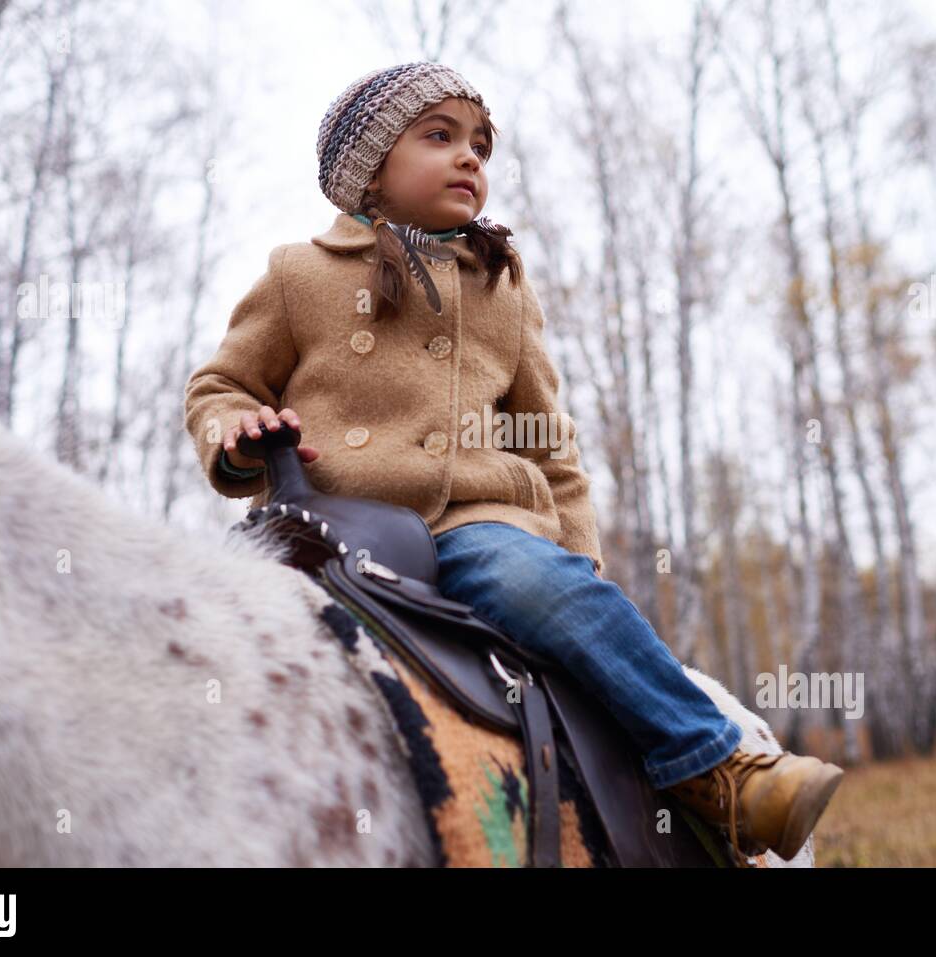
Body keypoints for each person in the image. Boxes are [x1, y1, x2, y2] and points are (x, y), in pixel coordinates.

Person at [183, 61, 842, 864]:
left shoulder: (500, 286)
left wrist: (578, 562)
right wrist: (236, 430)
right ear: (370, 170)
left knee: (541, 586)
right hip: (329, 521)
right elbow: (222, 383)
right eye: (440, 136)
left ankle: (719, 766)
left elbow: (545, 440)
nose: (471, 159)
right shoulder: (300, 274)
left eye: (481, 146)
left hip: (470, 524)